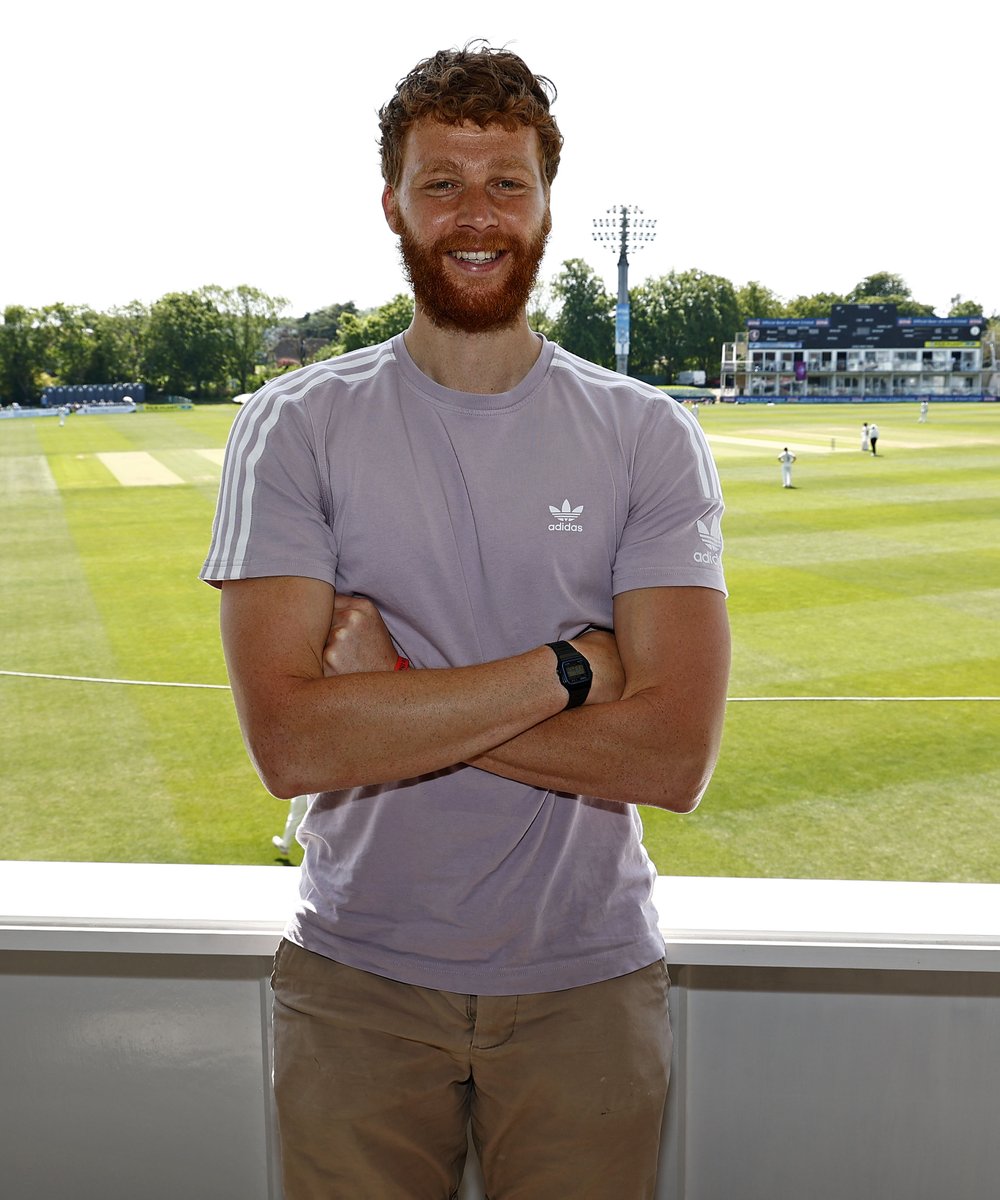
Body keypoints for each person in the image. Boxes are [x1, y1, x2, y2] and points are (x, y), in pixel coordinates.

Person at [201, 42, 730, 1200]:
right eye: (441, 181)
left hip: (587, 982)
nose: (474, 214)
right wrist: (569, 670)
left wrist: (384, 687)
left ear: (545, 205)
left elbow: (673, 758)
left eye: (506, 182)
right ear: (392, 202)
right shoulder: (292, 426)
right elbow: (291, 746)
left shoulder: (646, 434)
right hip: (356, 980)